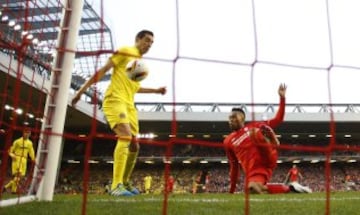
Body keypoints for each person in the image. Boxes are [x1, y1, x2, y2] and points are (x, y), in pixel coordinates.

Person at [72, 30, 166, 196]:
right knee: (125, 137)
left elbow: (135, 87)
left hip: (129, 105)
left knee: (135, 146)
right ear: (137, 39)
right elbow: (103, 70)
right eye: (147, 40)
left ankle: (125, 182)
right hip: (115, 100)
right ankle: (116, 186)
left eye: (152, 42)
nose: (149, 44)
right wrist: (81, 91)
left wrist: (156, 91)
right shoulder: (125, 51)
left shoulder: (139, 63)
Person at [223, 84, 311, 194]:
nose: (230, 120)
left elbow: (278, 119)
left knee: (255, 132)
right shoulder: (227, 141)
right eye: (229, 119)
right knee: (252, 189)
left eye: (233, 118)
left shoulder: (254, 125)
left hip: (265, 156)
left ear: (242, 118)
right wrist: (231, 190)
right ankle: (291, 188)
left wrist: (282, 98)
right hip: (253, 169)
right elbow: (234, 166)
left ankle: (273, 142)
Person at [4, 128, 35, 194]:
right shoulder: (17, 141)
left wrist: (33, 159)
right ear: (23, 133)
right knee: (19, 175)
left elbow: (31, 151)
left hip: (24, 160)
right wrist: (12, 155)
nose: (27, 134)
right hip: (17, 159)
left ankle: (12, 190)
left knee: (19, 177)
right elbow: (10, 151)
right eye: (26, 132)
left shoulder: (30, 143)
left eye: (29, 133)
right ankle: (7, 187)